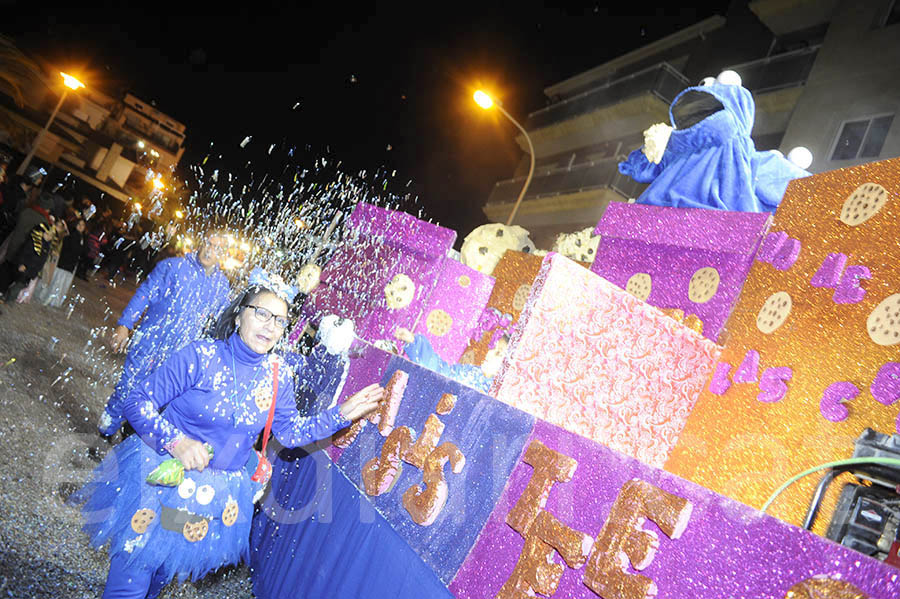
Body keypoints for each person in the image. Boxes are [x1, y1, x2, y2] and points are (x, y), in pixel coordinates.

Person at [77, 269, 385, 599]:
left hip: (211, 495)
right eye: (262, 313)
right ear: (240, 315)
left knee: (161, 571)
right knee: (133, 572)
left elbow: (291, 432)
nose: (270, 326)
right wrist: (176, 442)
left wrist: (341, 414)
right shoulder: (200, 356)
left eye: (280, 320)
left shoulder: (277, 376)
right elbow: (138, 400)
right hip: (158, 479)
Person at [99, 230, 232, 437]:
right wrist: (125, 324)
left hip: (179, 355)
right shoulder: (173, 266)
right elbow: (144, 294)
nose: (209, 250)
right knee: (129, 387)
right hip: (149, 342)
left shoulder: (221, 286)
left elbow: (220, 323)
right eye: (208, 243)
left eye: (217, 248)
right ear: (201, 243)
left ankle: (131, 435)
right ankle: (105, 431)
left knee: (159, 399)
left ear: (223, 254)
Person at [0, 222, 54, 305]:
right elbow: (23, 253)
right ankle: (5, 297)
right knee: (15, 282)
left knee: (21, 284)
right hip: (24, 267)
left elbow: (42, 261)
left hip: (32, 270)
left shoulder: (46, 246)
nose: (49, 237)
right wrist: (22, 263)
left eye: (51, 236)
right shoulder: (33, 242)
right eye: (48, 234)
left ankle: (8, 298)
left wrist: (36, 271)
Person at [37, 217, 85, 307]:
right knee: (57, 282)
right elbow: (73, 250)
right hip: (65, 264)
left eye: (82, 225)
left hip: (67, 264)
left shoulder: (79, 237)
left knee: (58, 282)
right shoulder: (74, 236)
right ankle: (51, 299)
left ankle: (51, 298)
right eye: (79, 224)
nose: (80, 226)